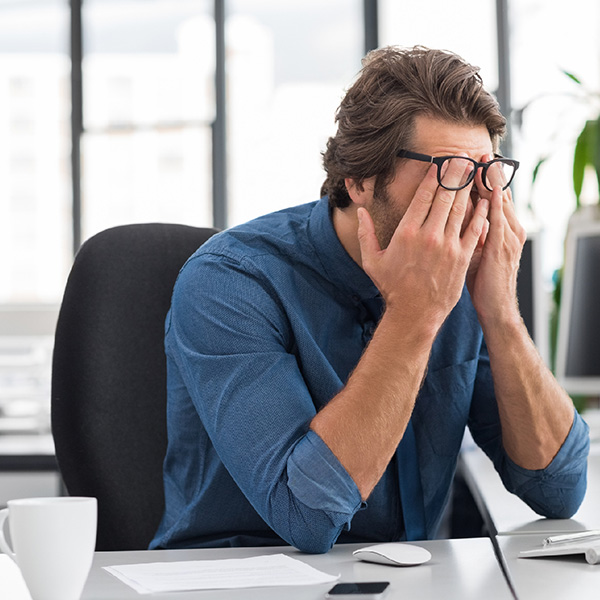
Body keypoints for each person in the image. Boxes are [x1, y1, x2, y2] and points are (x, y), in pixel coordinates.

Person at [150, 45, 589, 554]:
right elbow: (307, 517)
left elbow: (558, 489)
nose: (470, 205)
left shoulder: (465, 278)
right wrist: (414, 314)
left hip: (413, 580)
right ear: (359, 180)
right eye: (449, 173)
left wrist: (501, 313)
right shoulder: (230, 282)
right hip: (240, 578)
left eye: (485, 175)